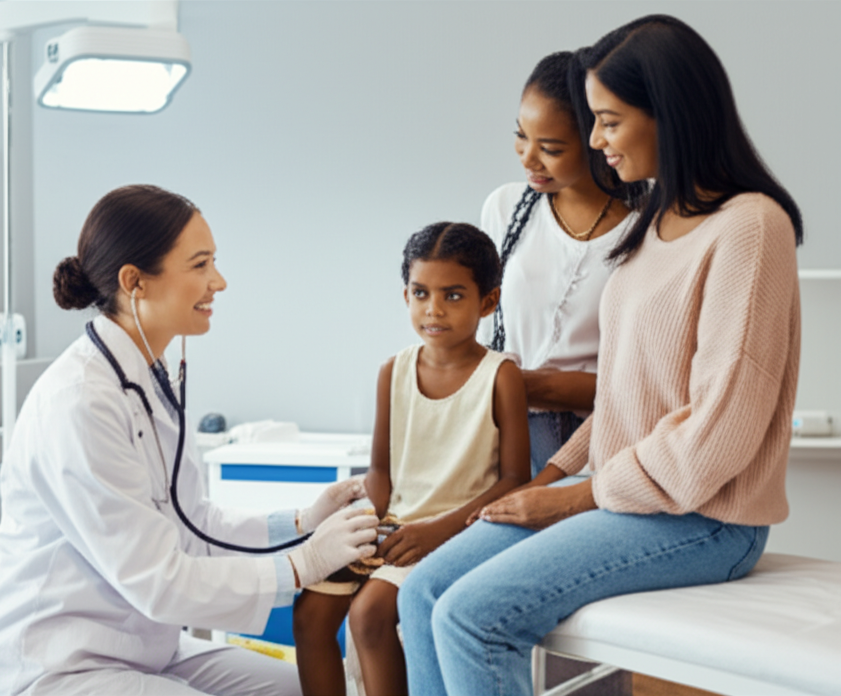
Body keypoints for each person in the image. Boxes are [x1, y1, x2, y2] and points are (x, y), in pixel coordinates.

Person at [398, 14, 803, 696]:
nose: (594, 141)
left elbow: (715, 440)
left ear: (669, 115)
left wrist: (573, 499)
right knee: (423, 592)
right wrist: (548, 480)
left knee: (472, 618)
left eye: (609, 122)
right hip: (625, 497)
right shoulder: (656, 223)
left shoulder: (750, 228)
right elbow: (621, 398)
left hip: (706, 518)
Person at [0, 184, 380, 696]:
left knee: (304, 689)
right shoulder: (80, 401)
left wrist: (301, 522)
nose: (219, 281)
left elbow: (193, 522)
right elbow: (158, 580)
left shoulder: (144, 377)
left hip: (139, 648)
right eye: (200, 265)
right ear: (134, 281)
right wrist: (302, 563)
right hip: (51, 663)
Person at [293, 222, 532, 696]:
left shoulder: (501, 376)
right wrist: (368, 528)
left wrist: (435, 531)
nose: (433, 309)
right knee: (310, 615)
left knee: (369, 615)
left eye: (453, 295)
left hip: (456, 533)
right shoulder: (393, 371)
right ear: (406, 296)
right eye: (421, 293)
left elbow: (514, 481)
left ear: (488, 301)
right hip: (394, 525)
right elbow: (380, 471)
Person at [479, 50, 644, 477]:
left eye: (550, 148)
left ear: (597, 141)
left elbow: (641, 380)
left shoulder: (644, 231)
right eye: (521, 136)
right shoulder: (505, 208)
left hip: (596, 435)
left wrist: (525, 384)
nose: (528, 158)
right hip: (504, 426)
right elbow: (483, 333)